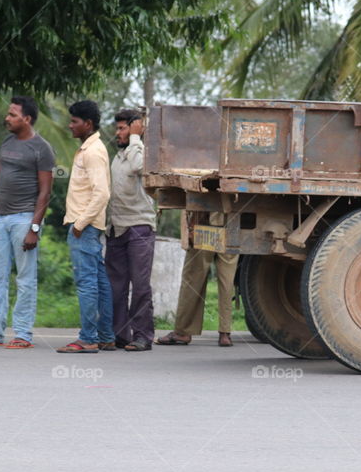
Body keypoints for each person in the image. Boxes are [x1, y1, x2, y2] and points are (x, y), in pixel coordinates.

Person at [0, 96, 54, 349]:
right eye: (8, 114)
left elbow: (46, 192)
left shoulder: (42, 148)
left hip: (25, 219)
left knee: (25, 279)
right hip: (1, 220)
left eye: (13, 115)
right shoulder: (7, 143)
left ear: (26, 119)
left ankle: (23, 334)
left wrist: (34, 228)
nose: (7, 118)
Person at [57, 100, 115, 353]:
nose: (70, 126)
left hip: (85, 226)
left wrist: (79, 224)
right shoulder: (91, 148)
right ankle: (105, 336)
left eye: (74, 122)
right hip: (89, 226)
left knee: (87, 283)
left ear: (88, 124)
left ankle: (88, 338)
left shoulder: (92, 152)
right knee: (99, 283)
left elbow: (102, 194)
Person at [106, 108, 156, 351]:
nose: (118, 132)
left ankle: (143, 335)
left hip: (139, 227)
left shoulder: (141, 152)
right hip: (116, 227)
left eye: (123, 128)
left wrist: (136, 137)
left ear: (136, 129)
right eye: (117, 128)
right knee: (116, 285)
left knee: (140, 284)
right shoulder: (118, 156)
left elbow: (139, 168)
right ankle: (120, 334)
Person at [157, 212, 238, 347]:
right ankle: (225, 333)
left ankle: (183, 332)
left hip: (205, 224)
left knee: (193, 279)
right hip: (233, 224)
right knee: (227, 283)